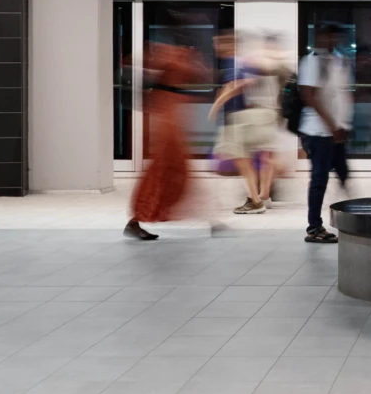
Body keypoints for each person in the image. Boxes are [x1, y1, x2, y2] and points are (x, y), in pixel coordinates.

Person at [126, 37, 209, 241]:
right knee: (166, 168)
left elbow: (199, 76)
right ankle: (138, 218)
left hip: (172, 113)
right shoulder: (168, 53)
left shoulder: (174, 55)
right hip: (167, 116)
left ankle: (141, 218)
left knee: (174, 169)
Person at [210, 31, 289, 214]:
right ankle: (263, 196)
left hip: (252, 115)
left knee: (242, 157)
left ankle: (256, 200)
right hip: (269, 113)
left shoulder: (246, 62)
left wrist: (218, 104)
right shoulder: (268, 64)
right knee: (265, 155)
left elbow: (239, 84)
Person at [298, 23, 353, 243]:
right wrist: (331, 126)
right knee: (319, 179)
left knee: (343, 172)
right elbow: (309, 97)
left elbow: (339, 95)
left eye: (335, 37)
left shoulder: (336, 61)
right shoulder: (312, 62)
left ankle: (352, 217)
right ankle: (314, 228)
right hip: (318, 132)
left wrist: (342, 125)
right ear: (320, 37)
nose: (333, 40)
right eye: (329, 36)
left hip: (335, 131)